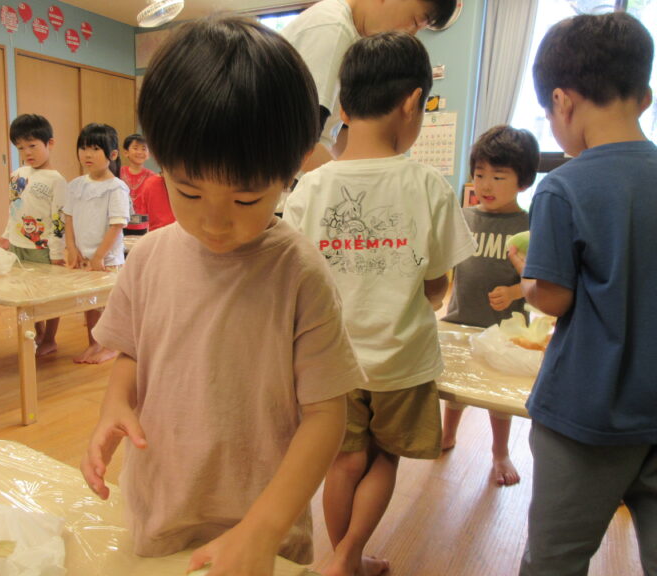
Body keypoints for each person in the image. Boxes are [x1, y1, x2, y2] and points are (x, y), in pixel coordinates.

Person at [80, 17, 365, 576]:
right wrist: (115, 404)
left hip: (261, 522)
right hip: (161, 505)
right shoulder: (150, 257)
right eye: (188, 190)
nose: (213, 221)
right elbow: (134, 352)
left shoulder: (298, 272)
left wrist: (262, 529)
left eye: (245, 198)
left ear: (288, 175)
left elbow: (327, 415)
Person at [283, 32, 475, 576]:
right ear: (413, 102)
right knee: (383, 457)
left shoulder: (310, 188)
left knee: (342, 461)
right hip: (402, 361)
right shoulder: (429, 185)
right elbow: (438, 285)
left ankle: (338, 557)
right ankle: (348, 556)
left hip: (330, 362)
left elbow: (294, 279)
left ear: (343, 106)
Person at [507, 12, 657, 575]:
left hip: (586, 413)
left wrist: (528, 274)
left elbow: (553, 298)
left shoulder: (565, 185)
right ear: (644, 97)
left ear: (563, 103)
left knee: (556, 558)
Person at [440, 125, 539, 487]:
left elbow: (538, 281)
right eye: (480, 174)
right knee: (455, 390)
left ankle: (500, 452)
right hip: (460, 319)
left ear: (523, 181)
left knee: (497, 397)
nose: (486, 184)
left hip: (503, 329)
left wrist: (514, 294)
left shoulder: (528, 225)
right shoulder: (464, 217)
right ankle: (448, 434)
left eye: (498, 176)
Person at [281, 0, 457, 173]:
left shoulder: (351, 38)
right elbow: (300, 143)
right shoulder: (333, 28)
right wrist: (345, 186)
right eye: (416, 21)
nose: (412, 34)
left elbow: (342, 136)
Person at [0, 113, 67, 356]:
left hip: (43, 248)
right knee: (28, 292)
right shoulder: (17, 175)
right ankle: (37, 331)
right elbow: (13, 208)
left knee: (49, 295)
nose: (27, 152)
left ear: (50, 144)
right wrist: (6, 235)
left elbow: (58, 219)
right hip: (18, 245)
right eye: (21, 147)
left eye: (33, 146)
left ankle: (50, 337)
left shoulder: (57, 180)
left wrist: (57, 252)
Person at [64, 123, 129, 365]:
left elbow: (116, 225)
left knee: (107, 305)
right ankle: (94, 344)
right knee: (90, 304)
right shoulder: (76, 184)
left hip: (107, 260)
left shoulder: (116, 188)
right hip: (84, 257)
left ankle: (110, 347)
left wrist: (99, 256)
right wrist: (71, 247)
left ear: (112, 155)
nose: (86, 154)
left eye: (94, 148)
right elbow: (68, 218)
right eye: (82, 148)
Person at [120, 133, 175, 235]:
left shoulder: (153, 177)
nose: (140, 152)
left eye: (144, 149)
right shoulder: (119, 173)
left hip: (143, 226)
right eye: (135, 148)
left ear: (149, 154)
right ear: (126, 152)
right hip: (121, 223)